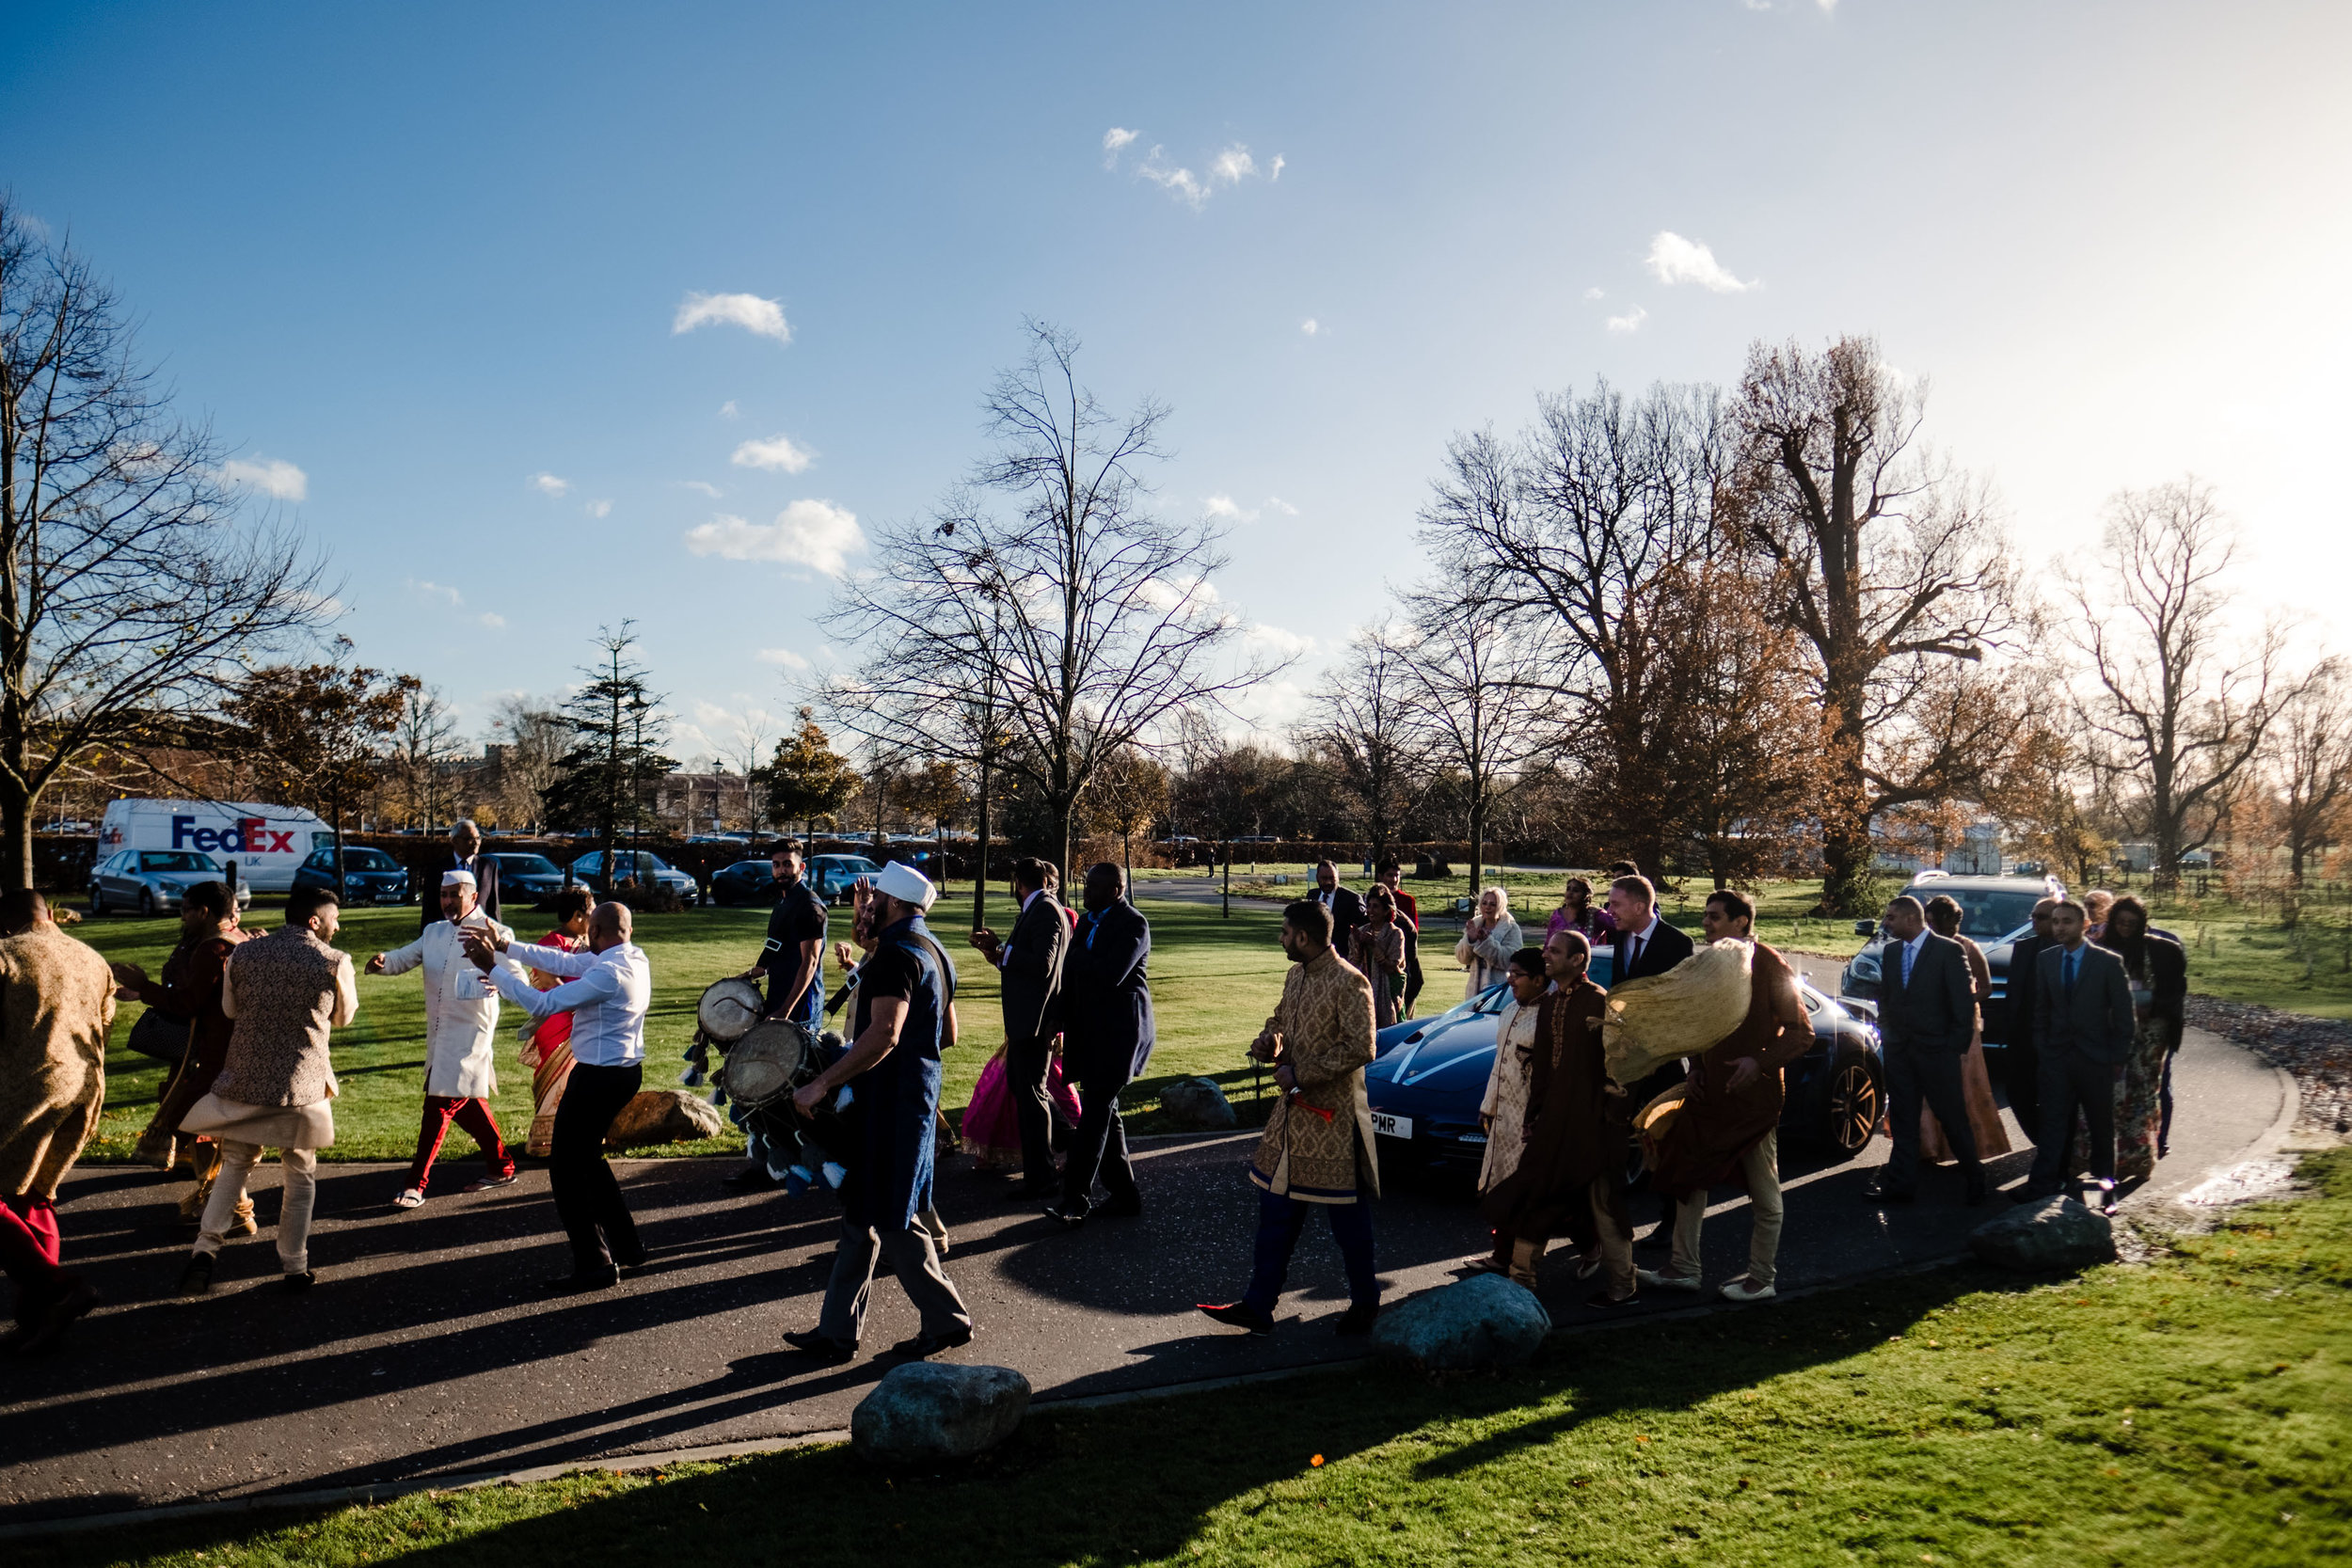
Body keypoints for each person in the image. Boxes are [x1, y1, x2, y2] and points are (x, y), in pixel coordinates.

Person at [783, 862, 973, 1361]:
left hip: (889, 1104)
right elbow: (948, 1036)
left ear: (892, 903)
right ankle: (837, 1331)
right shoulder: (933, 949)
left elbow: (885, 1032)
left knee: (892, 1214)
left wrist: (821, 1084)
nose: (867, 907)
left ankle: (948, 1319)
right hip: (913, 1098)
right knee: (861, 1213)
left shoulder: (895, 957)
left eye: (873, 901)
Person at [1198, 898, 1381, 1337]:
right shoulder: (1296, 974)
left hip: (1333, 1123)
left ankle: (1366, 1303)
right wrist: (1270, 1043)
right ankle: (1258, 1306)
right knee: (1275, 1216)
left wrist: (1301, 1072)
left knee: (1348, 1224)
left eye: (1284, 933)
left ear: (1303, 936)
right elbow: (1281, 1020)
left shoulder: (1350, 982)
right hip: (1290, 1122)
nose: (1281, 939)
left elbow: (1363, 1048)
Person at [176, 886, 359, 1294]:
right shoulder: (334, 960)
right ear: (315, 921)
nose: (338, 925)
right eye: (334, 918)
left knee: (236, 1164)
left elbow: (229, 1010)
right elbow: (344, 1018)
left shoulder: (243, 952)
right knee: (300, 1174)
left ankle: (204, 1252)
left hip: (245, 1078)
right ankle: (295, 1266)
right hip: (301, 1084)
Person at [1635, 890, 1813, 1303]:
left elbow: (1802, 1032)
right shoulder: (1707, 963)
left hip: (1754, 1102)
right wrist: (1696, 1067)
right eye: (1705, 917)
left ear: (1741, 922)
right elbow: (1699, 1025)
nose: (1706, 925)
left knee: (1766, 1194)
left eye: (1715, 917)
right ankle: (1683, 1269)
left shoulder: (1769, 964)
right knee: (1687, 1179)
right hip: (1708, 1097)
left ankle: (1762, 1277)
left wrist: (1759, 1061)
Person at [466, 900, 651, 1291]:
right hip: (620, 1074)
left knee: (566, 1170)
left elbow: (544, 1003)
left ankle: (596, 1264)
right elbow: (562, 962)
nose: (583, 943)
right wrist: (506, 946)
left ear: (596, 933)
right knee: (588, 1159)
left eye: (588, 936)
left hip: (598, 1079)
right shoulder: (631, 957)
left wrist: (492, 969)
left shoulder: (609, 974)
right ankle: (628, 1246)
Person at [1478, 929, 1629, 1303]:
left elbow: (1619, 1064)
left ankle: (1624, 1286)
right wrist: (1535, 1114)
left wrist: (1611, 1116)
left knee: (1602, 1207)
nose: (1546, 955)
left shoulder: (1599, 1002)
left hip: (1591, 1124)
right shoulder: (1550, 1005)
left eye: (1555, 951)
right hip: (1553, 1123)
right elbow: (1543, 1066)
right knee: (1533, 1195)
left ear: (1578, 960)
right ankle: (1521, 1281)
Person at [0, 891, 115, 1351]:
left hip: (24, 1087)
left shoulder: (6, 955)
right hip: (85, 1086)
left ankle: (59, 1287)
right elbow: (104, 1023)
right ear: (48, 915)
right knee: (36, 1194)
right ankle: (39, 1317)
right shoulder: (92, 957)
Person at [370, 870, 521, 1209]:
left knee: (439, 1103)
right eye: (443, 895)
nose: (448, 902)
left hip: (473, 1031)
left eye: (454, 894)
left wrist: (500, 982)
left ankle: (415, 1183)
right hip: (440, 1031)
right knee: (462, 1099)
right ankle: (502, 1166)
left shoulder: (494, 931)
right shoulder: (433, 932)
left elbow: (517, 977)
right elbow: (405, 956)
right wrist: (382, 962)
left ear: (473, 896)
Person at [115, 880, 251, 1231]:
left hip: (211, 1051)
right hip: (226, 1047)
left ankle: (234, 1208)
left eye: (185, 910)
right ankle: (216, 1198)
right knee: (209, 1123)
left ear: (203, 911)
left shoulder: (213, 948)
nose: (182, 917)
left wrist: (144, 986)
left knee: (199, 1120)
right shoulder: (240, 940)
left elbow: (190, 1002)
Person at [1047, 863, 1156, 1226]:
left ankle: (1075, 1198)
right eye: (1085, 884)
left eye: (1093, 887)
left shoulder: (1133, 924)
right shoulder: (1090, 920)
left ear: (1116, 890)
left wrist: (1076, 956)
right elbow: (1070, 977)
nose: (1085, 892)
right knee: (1106, 1112)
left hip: (1121, 1034)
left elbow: (1112, 974)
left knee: (1093, 1115)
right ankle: (1126, 1196)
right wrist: (1055, 1020)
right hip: (1089, 1031)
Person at [1865, 895, 1987, 1206]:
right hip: (1901, 1052)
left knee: (1952, 1118)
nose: (1886, 922)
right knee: (1904, 1120)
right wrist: (1888, 1034)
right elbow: (1887, 998)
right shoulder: (1891, 952)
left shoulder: (1948, 951)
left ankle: (1975, 1178)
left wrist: (1953, 1048)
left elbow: (1962, 1004)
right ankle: (1901, 1186)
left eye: (1891, 917)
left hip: (1937, 1052)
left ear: (1910, 918)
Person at [723, 842, 831, 1192]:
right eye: (776, 865)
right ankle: (775, 1163)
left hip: (798, 1011)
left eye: (788, 864)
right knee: (771, 1086)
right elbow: (775, 948)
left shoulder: (810, 907)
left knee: (788, 1087)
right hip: (779, 1006)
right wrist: (752, 974)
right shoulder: (784, 902)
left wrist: (784, 1011)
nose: (781, 870)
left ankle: (797, 1164)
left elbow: (809, 964)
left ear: (801, 868)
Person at [2019, 897, 2137, 1212]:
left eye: (2067, 921)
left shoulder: (2108, 962)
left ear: (2085, 925)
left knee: (2101, 1126)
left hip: (2096, 1058)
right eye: (2055, 921)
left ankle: (2107, 1191)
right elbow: (2041, 1010)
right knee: (2053, 1123)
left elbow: (2125, 1017)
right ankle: (2042, 1185)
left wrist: (2115, 1056)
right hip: (2057, 1057)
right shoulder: (2046, 960)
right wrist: (2044, 1047)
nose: (2059, 927)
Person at [968, 857, 1071, 1198]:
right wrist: (995, 953)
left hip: (1035, 1020)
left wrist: (1001, 949)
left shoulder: (1044, 910)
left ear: (1018, 883)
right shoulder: (1040, 908)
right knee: (1023, 1087)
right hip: (1027, 1018)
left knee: (1032, 1095)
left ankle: (1042, 1178)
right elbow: (1023, 964)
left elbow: (1042, 965)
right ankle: (1072, 1142)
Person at [1606, 873, 1696, 1246]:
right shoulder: (1617, 937)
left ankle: (1671, 1221)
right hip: (1626, 1059)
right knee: (1620, 1135)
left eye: (1616, 905)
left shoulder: (1677, 943)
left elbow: (1679, 1002)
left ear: (1641, 906)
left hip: (1662, 1059)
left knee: (1665, 1138)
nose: (1609, 911)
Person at [1468, 947, 1549, 1275]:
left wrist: (1539, 1117)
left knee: (1524, 1191)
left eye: (1517, 975)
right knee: (1497, 1185)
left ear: (1540, 979)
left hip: (1529, 1120)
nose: (1510, 979)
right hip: (1502, 1116)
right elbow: (1499, 1064)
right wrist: (1487, 1106)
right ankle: (1502, 1255)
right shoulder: (1508, 1011)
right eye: (1510, 973)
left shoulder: (1549, 1019)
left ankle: (1590, 1247)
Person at [1918, 895, 2014, 1166]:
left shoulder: (1968, 948)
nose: (1944, 928)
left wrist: (1961, 999)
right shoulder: (1924, 945)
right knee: (1929, 1082)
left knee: (1964, 1082)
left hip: (1961, 1022)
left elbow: (1986, 988)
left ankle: (1967, 1148)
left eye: (1950, 923)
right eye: (1935, 922)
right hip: (1931, 1022)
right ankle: (1928, 1145)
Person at [2095, 895, 2187, 1176]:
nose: (2125, 928)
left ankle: (2138, 1156)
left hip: (2150, 1029)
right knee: (2111, 1092)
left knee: (2143, 1092)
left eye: (2132, 924)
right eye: (2121, 922)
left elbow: (2175, 992)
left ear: (2142, 924)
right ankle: (2104, 1155)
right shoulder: (2100, 949)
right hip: (2112, 1028)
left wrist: (2152, 1007)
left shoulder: (2163, 951)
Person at [517, 889, 595, 1159]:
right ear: (577, 916)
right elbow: (550, 982)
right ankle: (546, 1143)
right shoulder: (551, 942)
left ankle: (579, 1138)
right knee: (558, 1079)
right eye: (592, 910)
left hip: (584, 1021)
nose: (595, 916)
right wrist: (581, 1002)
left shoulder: (591, 943)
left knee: (582, 1081)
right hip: (558, 1021)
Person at [2002, 897, 2061, 1145]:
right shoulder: (2023, 948)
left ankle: (2055, 1148)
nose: (2034, 921)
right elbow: (2014, 993)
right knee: (2017, 1093)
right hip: (2023, 1036)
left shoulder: (2067, 950)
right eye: (2033, 916)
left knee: (2053, 1096)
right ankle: (2042, 1139)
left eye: (2042, 917)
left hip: (2056, 1037)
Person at [421, 819, 500, 933]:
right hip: (445, 933)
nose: (476, 842)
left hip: (479, 933)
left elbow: (493, 907)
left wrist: (496, 936)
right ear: (454, 841)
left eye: (478, 838)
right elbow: (429, 909)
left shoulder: (489, 867)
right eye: (469, 839)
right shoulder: (437, 869)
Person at [1350, 884, 1407, 1028]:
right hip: (1362, 993)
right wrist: (1359, 944)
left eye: (1376, 906)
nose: (1370, 910)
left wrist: (1374, 946)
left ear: (1386, 910)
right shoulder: (1361, 932)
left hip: (1387, 994)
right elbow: (1352, 967)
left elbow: (1392, 967)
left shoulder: (1395, 934)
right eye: (1368, 906)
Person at [1374, 860, 1424, 1018]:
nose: (1394, 879)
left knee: (1414, 983)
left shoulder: (1407, 901)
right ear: (1380, 876)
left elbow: (1413, 931)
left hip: (1403, 956)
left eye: (1397, 875)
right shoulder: (1371, 899)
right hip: (1378, 954)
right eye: (1390, 875)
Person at [1454, 886, 1522, 998]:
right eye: (1484, 903)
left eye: (1493, 904)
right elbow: (1462, 958)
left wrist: (1486, 943)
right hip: (1474, 993)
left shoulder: (1511, 929)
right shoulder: (1475, 924)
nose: (1487, 907)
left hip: (1499, 991)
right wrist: (1470, 940)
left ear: (1500, 906)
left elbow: (1510, 961)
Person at [1311, 861, 1368, 966]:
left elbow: (1363, 927)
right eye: (1324, 878)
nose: (1328, 882)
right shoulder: (1312, 895)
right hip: (1315, 959)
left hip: (1342, 961)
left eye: (1332, 878)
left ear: (1338, 877)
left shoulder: (1352, 899)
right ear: (1317, 877)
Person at [1546, 875, 1615, 945]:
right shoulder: (1557, 914)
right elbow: (1548, 942)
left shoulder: (1595, 915)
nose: (1570, 893)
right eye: (1568, 889)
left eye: (1576, 890)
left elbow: (1619, 925)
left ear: (1585, 895)